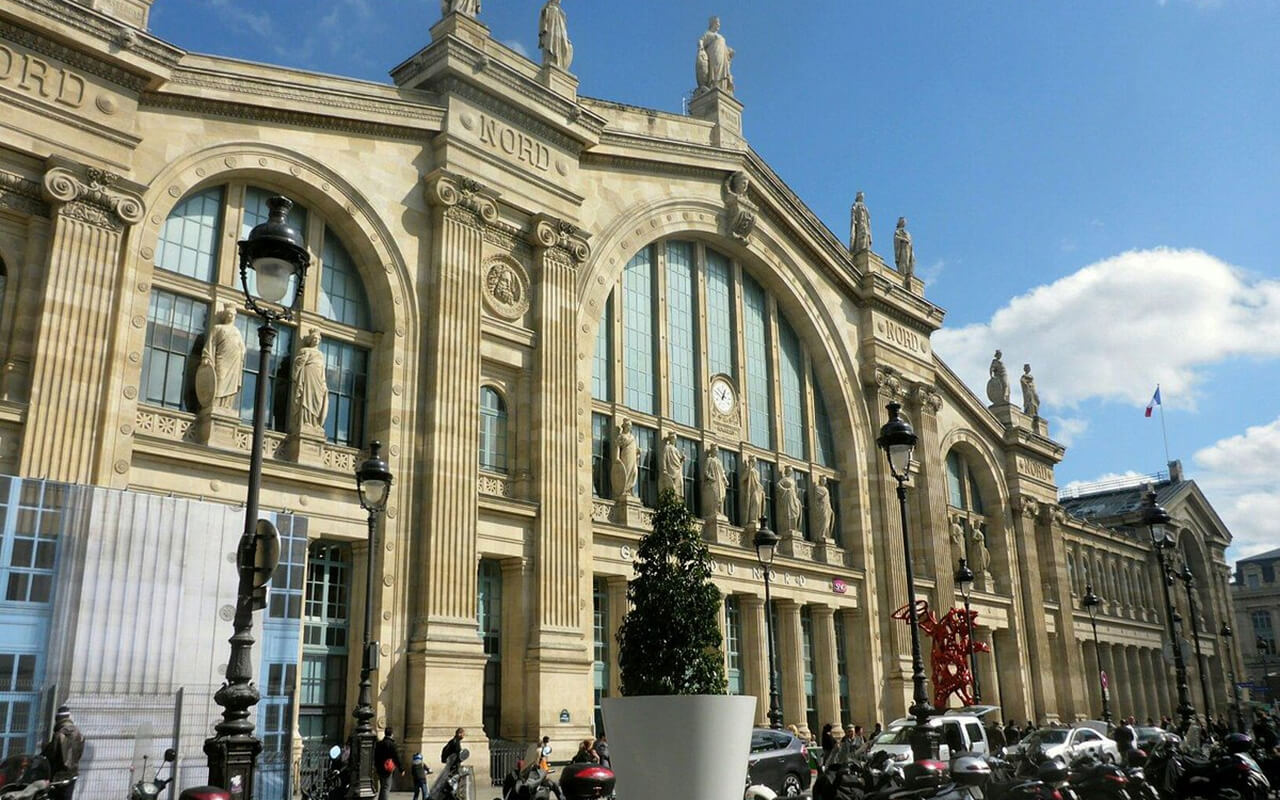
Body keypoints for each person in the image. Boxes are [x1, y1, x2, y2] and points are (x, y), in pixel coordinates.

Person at [43, 705, 84, 800]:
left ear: (58, 719)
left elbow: (51, 756)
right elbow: (79, 754)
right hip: (72, 775)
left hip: (57, 777)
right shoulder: (79, 734)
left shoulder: (58, 735)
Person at [373, 727, 402, 800]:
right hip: (388, 768)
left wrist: (376, 766)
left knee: (383, 786)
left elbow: (375, 756)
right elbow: (396, 757)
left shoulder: (379, 744)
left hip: (380, 768)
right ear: (392, 734)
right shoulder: (392, 744)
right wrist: (401, 769)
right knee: (386, 787)